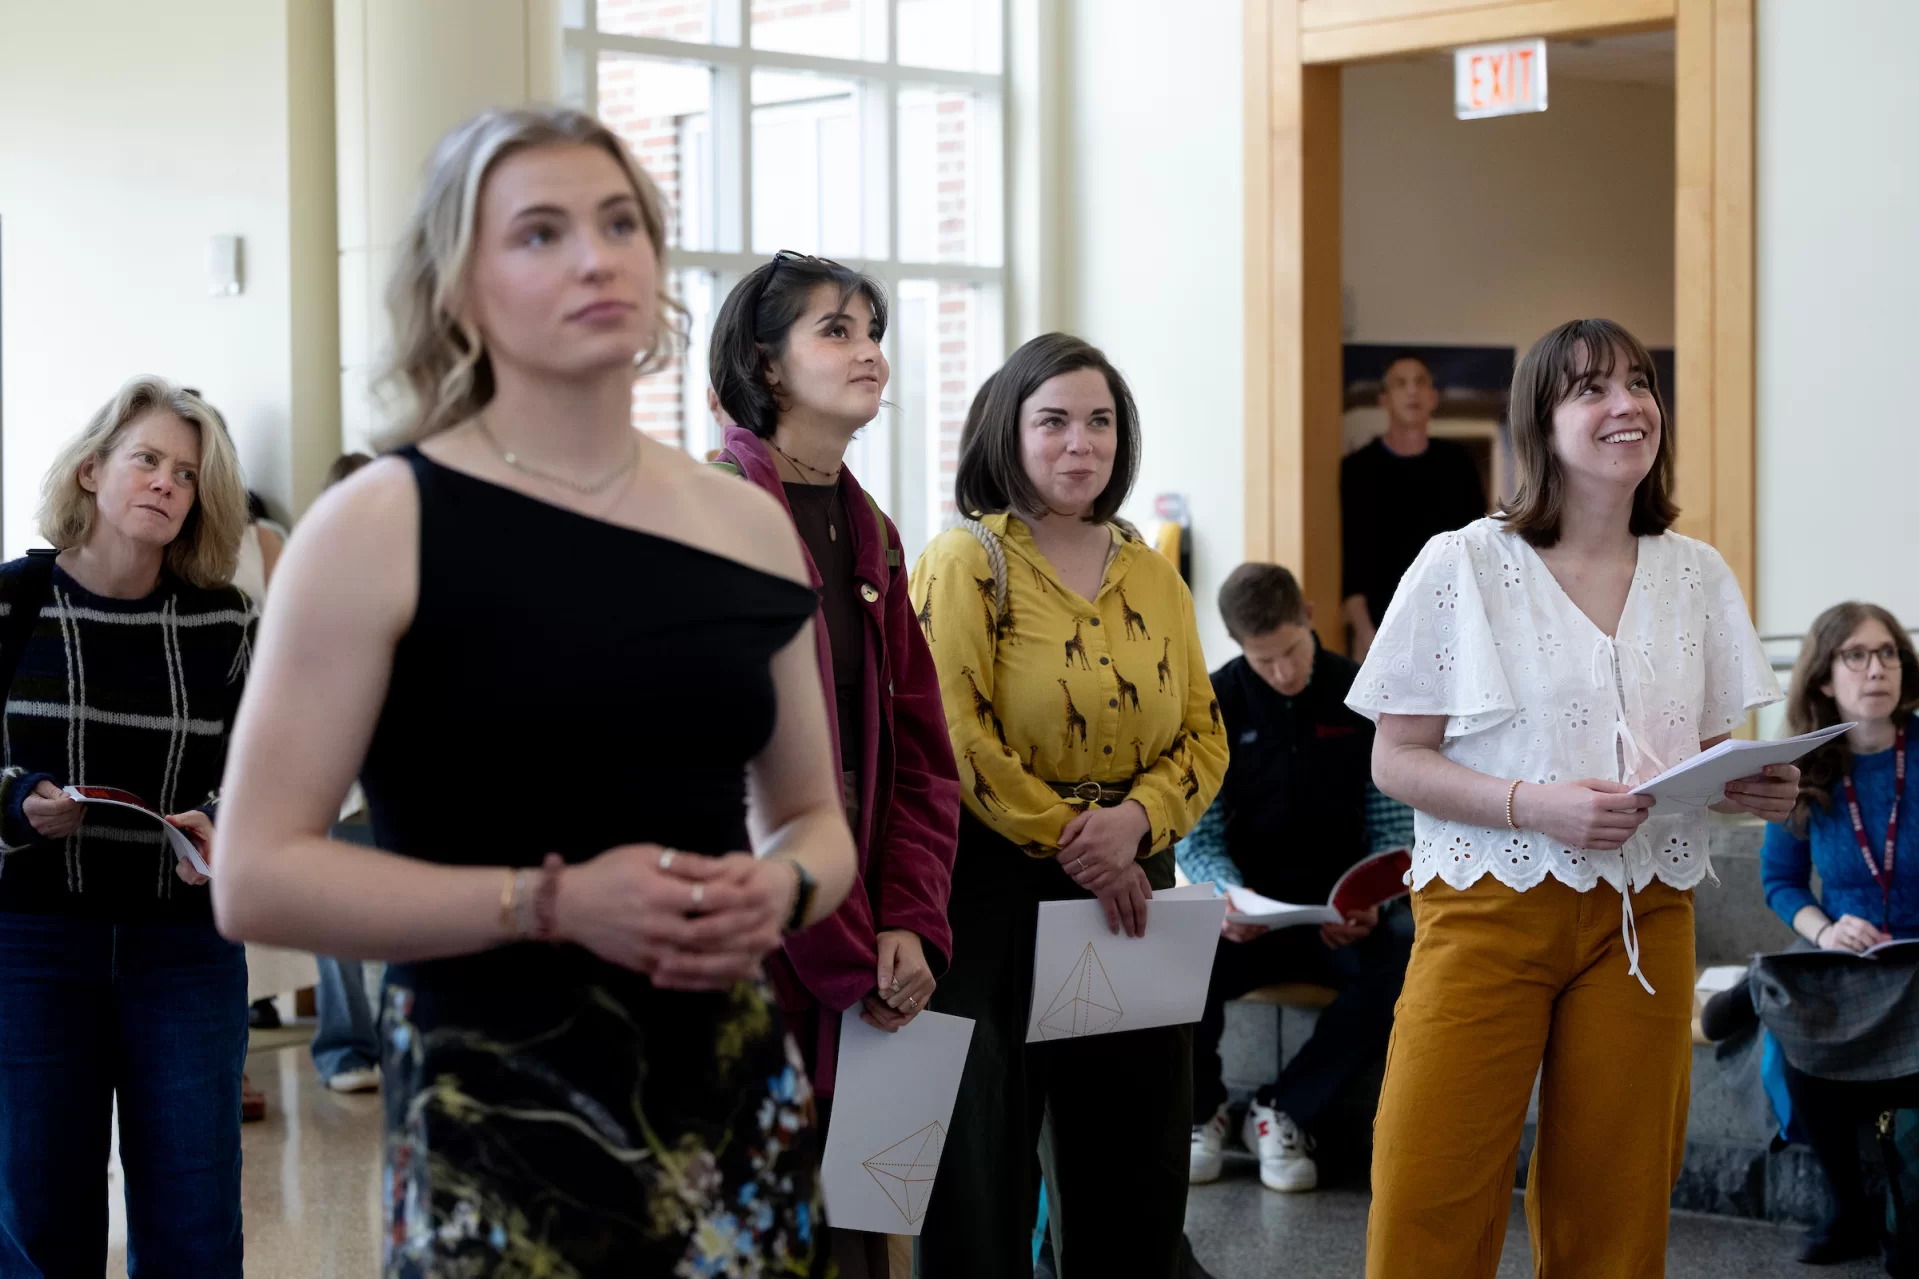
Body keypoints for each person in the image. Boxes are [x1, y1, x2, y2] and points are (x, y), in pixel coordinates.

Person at [209, 105, 857, 1275]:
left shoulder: (744, 524)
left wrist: (779, 886)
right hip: (493, 1105)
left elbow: (816, 820)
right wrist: (547, 904)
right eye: (540, 233)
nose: (595, 257)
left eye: (619, 222)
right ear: (458, 285)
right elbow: (253, 875)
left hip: (723, 1090)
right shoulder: (380, 524)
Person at [1348, 318, 1798, 1276]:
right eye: (1591, 389)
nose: (1626, 404)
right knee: (1430, 1181)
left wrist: (1750, 779)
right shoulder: (1461, 563)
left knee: (1617, 1198)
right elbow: (1396, 759)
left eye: (1637, 383)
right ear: (1539, 425)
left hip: (1646, 914)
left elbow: (1702, 751)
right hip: (1485, 908)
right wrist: (1531, 804)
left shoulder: (1697, 573)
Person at [909, 333, 1229, 1278]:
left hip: (1131, 882)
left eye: (1099, 422)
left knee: (1131, 1168)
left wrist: (1131, 827)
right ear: (1007, 430)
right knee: (981, 1166)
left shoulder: (1152, 573)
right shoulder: (964, 560)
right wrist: (1072, 838)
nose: (1078, 442)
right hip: (993, 886)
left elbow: (1202, 733)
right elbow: (953, 729)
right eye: (1052, 420)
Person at [706, 254, 960, 1277]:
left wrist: (909, 922)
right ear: (764, 365)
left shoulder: (874, 532)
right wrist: (849, 949)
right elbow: (730, 778)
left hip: (867, 938)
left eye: (871, 329)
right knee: (763, 1231)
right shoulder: (714, 512)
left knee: (860, 1232)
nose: (867, 352)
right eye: (834, 330)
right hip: (755, 942)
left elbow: (919, 755)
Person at [0, 375, 254, 1276]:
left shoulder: (223, 621)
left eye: (186, 474)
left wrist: (223, 821)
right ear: (90, 469)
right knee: (44, 1210)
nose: (165, 484)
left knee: (194, 1214)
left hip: (184, 947)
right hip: (32, 943)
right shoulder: (12, 603)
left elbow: (268, 771)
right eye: (146, 459)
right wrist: (16, 799)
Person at [1178, 562, 1414, 1193]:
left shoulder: (1362, 692)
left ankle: (1284, 1111)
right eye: (1265, 660)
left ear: (1309, 616)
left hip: (1341, 919)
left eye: (1290, 651)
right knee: (1175, 963)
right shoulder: (1212, 703)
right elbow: (1199, 830)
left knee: (1409, 963)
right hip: (1247, 919)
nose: (1283, 671)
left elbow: (1394, 825)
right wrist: (1229, 899)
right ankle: (1203, 1114)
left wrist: (1373, 901)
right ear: (1238, 648)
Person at [1760, 600, 1919, 1265]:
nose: (1874, 668)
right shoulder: (1800, 768)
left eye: (1886, 652)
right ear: (1824, 676)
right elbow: (1779, 881)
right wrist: (1823, 928)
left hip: (1915, 958)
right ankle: (1848, 1211)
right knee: (1796, 1042)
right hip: (1846, 956)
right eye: (1854, 655)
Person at [308, 451, 385, 1095]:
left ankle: (383, 1040)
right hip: (339, 781)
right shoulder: (317, 582)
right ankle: (344, 1049)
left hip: (397, 780)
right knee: (336, 923)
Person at [1339, 353, 1487, 661]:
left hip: (1450, 617)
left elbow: (1477, 545)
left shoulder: (1458, 464)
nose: (1411, 391)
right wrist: (1364, 631)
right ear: (1384, 399)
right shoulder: (1357, 469)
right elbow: (1352, 557)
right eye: (1400, 383)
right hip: (1381, 621)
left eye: (1420, 383)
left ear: (1433, 398)